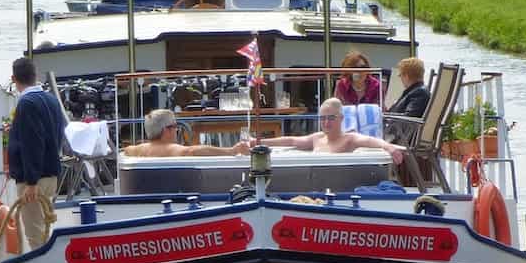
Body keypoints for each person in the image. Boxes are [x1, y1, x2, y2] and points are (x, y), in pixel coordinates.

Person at [5, 57, 67, 251]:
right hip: (51, 174)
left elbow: (33, 143)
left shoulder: (26, 104)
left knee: (35, 235)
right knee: (44, 228)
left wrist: (31, 182)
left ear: (14, 79)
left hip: (34, 180)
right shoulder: (51, 99)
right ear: (36, 76)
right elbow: (56, 134)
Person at [253, 97, 404, 165]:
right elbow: (291, 140)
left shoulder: (349, 139)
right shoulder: (317, 138)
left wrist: (390, 147)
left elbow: (371, 141)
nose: (326, 122)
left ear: (341, 118)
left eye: (331, 118)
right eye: (323, 118)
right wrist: (260, 142)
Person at [124, 109, 251, 157]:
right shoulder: (169, 149)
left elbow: (126, 150)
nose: (177, 129)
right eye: (175, 126)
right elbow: (192, 151)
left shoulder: (134, 150)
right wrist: (231, 151)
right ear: (166, 130)